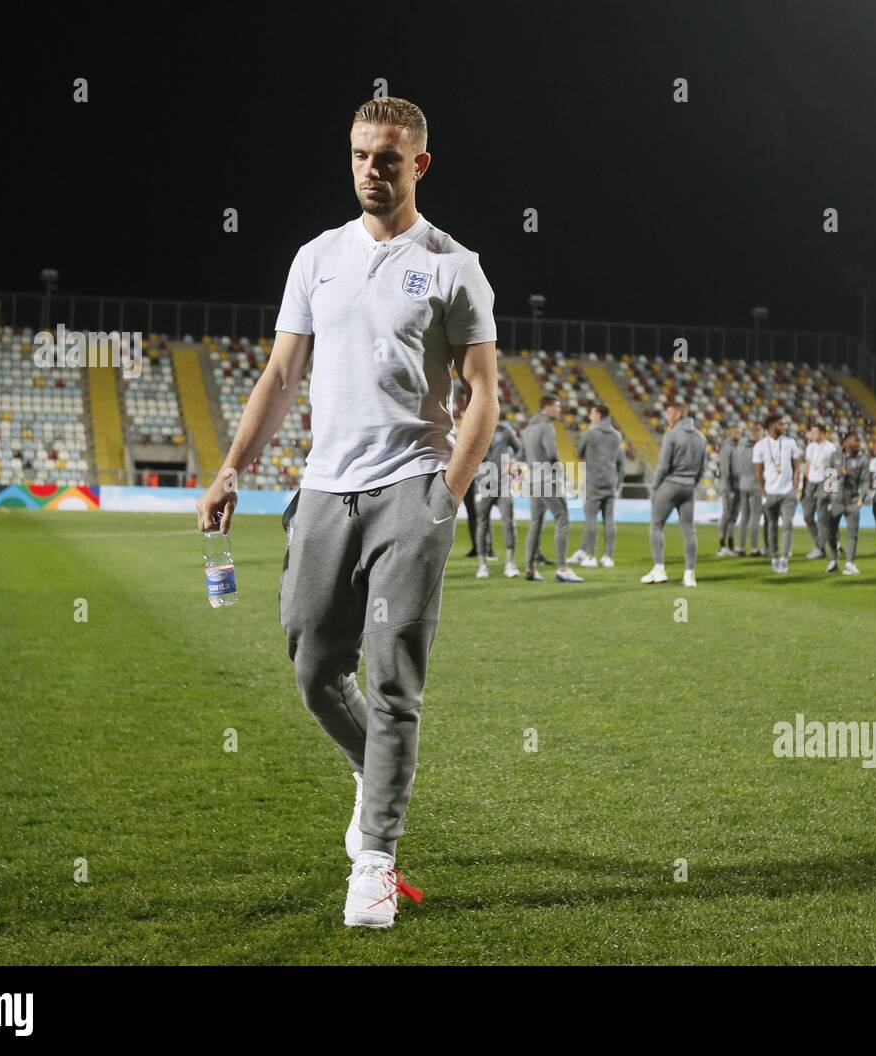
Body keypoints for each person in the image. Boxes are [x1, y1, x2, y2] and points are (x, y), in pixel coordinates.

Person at [196, 97, 498, 928]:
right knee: (311, 664)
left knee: (393, 677)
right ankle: (377, 772)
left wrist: (446, 499)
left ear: (419, 166)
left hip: (412, 489)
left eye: (389, 158)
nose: (373, 168)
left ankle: (375, 860)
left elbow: (482, 398)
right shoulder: (316, 258)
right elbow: (279, 376)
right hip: (324, 490)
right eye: (363, 154)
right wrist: (230, 471)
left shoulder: (452, 265)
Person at [641, 402, 707, 586]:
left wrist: (655, 488)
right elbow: (703, 468)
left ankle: (659, 569)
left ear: (678, 414)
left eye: (669, 413)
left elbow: (663, 466)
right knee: (689, 529)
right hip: (688, 487)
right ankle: (689, 574)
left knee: (656, 526)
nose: (666, 417)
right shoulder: (701, 438)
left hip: (670, 484)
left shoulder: (672, 435)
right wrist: (692, 483)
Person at [522, 396, 583, 583]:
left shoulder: (528, 429)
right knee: (562, 519)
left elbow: (524, 454)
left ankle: (530, 568)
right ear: (546, 407)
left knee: (536, 524)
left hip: (532, 480)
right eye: (557, 407)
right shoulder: (546, 426)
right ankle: (563, 569)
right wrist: (561, 472)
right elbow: (551, 453)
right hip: (548, 479)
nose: (559, 410)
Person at [568, 403, 626, 568]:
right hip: (611, 483)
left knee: (591, 519)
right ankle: (609, 557)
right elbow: (620, 462)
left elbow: (579, 453)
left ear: (599, 415)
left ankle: (591, 556)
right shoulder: (617, 435)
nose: (590, 415)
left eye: (592, 413)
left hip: (594, 482)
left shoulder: (591, 433)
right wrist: (617, 484)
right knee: (609, 520)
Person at [753, 412, 802, 574]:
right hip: (770, 493)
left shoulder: (790, 443)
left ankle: (784, 558)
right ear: (772, 425)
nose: (784, 427)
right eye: (781, 424)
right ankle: (774, 557)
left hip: (788, 493)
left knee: (788, 524)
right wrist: (763, 493)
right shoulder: (760, 446)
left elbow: (797, 467)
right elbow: (758, 474)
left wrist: (795, 487)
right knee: (772, 526)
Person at [473, 417, 522, 579]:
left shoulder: (505, 430)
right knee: (482, 523)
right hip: (483, 484)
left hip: (503, 485)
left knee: (509, 522)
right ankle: (483, 565)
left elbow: (520, 448)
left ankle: (510, 563)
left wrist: (513, 461)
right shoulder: (476, 428)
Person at [824, 431, 869, 575]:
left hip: (853, 501)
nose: (858, 444)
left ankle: (850, 563)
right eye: (855, 440)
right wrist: (838, 474)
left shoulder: (862, 459)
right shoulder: (834, 456)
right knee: (831, 533)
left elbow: (865, 480)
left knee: (852, 534)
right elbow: (828, 482)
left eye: (859, 441)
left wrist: (862, 497)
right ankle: (833, 561)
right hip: (836, 501)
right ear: (846, 442)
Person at [801, 423, 836, 559]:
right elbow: (807, 465)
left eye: (815, 432)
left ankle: (820, 549)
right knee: (807, 516)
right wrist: (803, 486)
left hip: (823, 483)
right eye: (811, 432)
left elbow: (832, 469)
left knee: (822, 519)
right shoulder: (810, 447)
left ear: (823, 433)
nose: (812, 434)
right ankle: (822, 544)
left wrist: (831, 491)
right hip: (810, 484)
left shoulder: (830, 448)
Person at [734, 421, 766, 556]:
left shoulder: (740, 447)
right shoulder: (758, 449)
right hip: (755, 486)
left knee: (744, 517)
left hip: (742, 484)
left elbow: (735, 467)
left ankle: (740, 547)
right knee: (755, 517)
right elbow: (761, 470)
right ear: (757, 433)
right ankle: (754, 548)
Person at [716, 424, 743, 556]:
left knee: (734, 516)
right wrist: (729, 488)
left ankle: (731, 545)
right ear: (731, 432)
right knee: (727, 514)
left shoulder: (738, 447)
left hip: (738, 486)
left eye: (740, 432)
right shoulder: (727, 448)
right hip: (729, 487)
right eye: (737, 432)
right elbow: (725, 470)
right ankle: (722, 546)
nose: (740, 434)